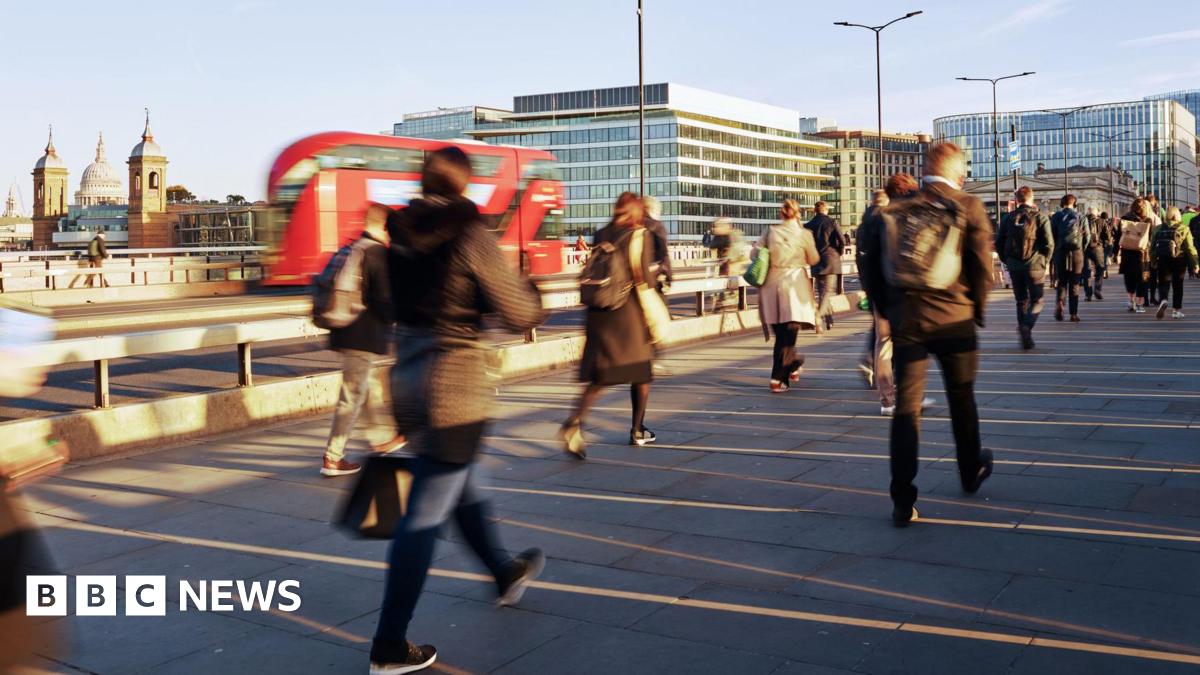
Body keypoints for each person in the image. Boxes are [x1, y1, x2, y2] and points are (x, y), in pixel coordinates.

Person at [372, 147, 547, 674]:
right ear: (465, 185)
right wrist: (530, 289)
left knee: (458, 479)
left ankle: (503, 571)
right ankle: (388, 646)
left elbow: (382, 308)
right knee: (423, 517)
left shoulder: (396, 236)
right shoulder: (471, 235)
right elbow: (518, 312)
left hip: (407, 378)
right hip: (455, 384)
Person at [863, 142, 994, 527]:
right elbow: (981, 267)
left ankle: (902, 498)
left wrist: (888, 313)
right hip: (955, 320)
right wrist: (977, 312)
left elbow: (870, 267)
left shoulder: (896, 208)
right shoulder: (967, 205)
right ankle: (970, 470)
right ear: (957, 172)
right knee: (961, 398)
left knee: (907, 409)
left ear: (925, 170)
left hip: (908, 322)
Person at [560, 192, 659, 457]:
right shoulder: (639, 234)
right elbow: (643, 278)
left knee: (600, 376)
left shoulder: (601, 233)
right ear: (637, 212)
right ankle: (637, 429)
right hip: (626, 313)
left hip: (598, 312)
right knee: (641, 370)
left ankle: (573, 422)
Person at [319, 203, 406, 477]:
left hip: (345, 330)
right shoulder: (376, 252)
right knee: (352, 395)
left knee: (363, 388)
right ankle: (333, 456)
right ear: (382, 226)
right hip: (362, 334)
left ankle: (380, 439)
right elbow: (383, 298)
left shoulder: (352, 248)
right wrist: (400, 318)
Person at [860, 175, 936, 415]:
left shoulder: (872, 218)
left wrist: (871, 292)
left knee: (883, 345)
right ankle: (913, 395)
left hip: (881, 292)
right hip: (908, 291)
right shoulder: (909, 214)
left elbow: (866, 259)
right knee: (911, 345)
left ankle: (887, 401)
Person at [754, 199, 819, 393]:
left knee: (781, 335)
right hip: (794, 285)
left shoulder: (770, 231)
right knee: (788, 336)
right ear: (798, 213)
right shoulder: (804, 234)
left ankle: (791, 366)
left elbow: (754, 254)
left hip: (771, 286)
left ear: (781, 214)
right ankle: (779, 377)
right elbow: (814, 258)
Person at [995, 186, 1053, 349]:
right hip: (1035, 265)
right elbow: (1049, 243)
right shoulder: (1040, 216)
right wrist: (1044, 261)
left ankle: (1024, 336)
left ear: (1017, 200)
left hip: (1014, 265)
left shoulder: (1007, 218)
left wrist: (1006, 260)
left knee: (1021, 301)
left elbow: (999, 242)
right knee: (1038, 300)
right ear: (1031, 199)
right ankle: (1026, 326)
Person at [1151, 206, 1200, 319]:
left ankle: (1163, 300)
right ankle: (1176, 311)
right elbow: (1190, 248)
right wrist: (1195, 264)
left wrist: (1153, 261)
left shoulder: (1158, 228)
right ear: (1178, 215)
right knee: (1178, 285)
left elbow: (1152, 247)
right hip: (1179, 260)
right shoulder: (1183, 228)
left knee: (1163, 282)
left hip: (1163, 259)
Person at [804, 200, 845, 331]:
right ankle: (818, 316)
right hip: (831, 259)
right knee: (827, 292)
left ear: (815, 211)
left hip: (815, 260)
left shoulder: (808, 225)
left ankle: (829, 320)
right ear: (826, 210)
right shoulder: (832, 222)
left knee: (822, 291)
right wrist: (839, 252)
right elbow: (842, 240)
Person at [1049, 194, 1088, 322]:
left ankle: (1060, 303)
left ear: (1061, 204)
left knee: (1061, 281)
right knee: (1075, 283)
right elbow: (1087, 237)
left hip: (1060, 252)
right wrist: (1081, 248)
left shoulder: (1055, 217)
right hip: (1076, 252)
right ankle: (1073, 314)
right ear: (1075, 204)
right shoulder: (1081, 216)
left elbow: (1051, 236)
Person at [1119, 198, 1154, 313]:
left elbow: (1118, 236)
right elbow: (1151, 237)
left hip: (1127, 253)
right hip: (1142, 254)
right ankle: (1140, 304)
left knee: (1129, 277)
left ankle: (1131, 301)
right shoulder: (1148, 220)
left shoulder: (1124, 219)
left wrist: (1116, 253)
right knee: (1143, 278)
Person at [641, 195, 673, 292]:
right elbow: (664, 254)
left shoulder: (633, 224)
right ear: (652, 209)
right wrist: (669, 277)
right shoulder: (657, 227)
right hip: (653, 277)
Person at [707, 217, 735, 311]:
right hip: (724, 262)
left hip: (727, 262)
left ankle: (727, 297)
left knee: (726, 278)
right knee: (724, 278)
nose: (714, 228)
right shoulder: (725, 235)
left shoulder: (725, 236)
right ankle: (725, 297)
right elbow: (713, 246)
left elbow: (713, 245)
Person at [1082, 206, 1106, 302]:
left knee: (1086, 272)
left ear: (1087, 212)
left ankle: (1088, 294)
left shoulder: (1083, 221)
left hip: (1084, 248)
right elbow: (1107, 236)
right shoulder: (1102, 221)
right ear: (1097, 213)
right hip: (1097, 248)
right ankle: (1097, 289)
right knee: (1100, 269)